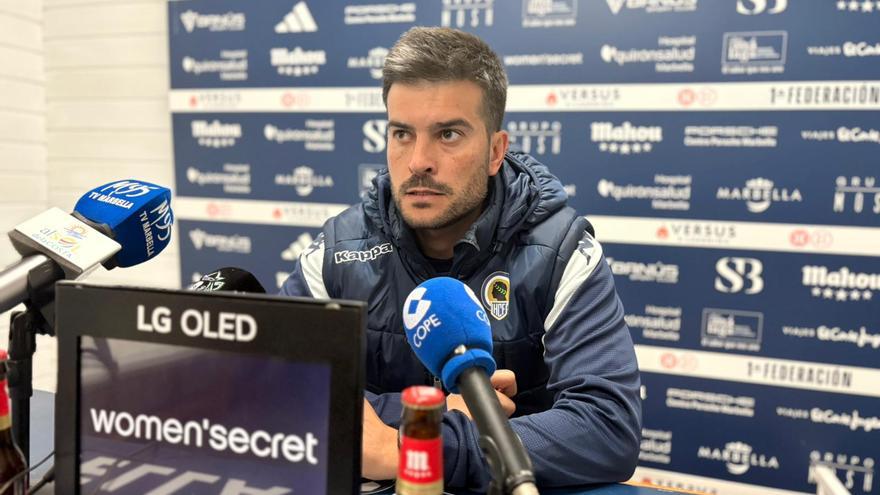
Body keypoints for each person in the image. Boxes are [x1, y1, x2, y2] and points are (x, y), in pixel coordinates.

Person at [280, 26, 641, 490]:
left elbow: (607, 427)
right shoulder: (335, 252)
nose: (418, 161)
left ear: (495, 151)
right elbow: (278, 390)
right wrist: (434, 413)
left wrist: (415, 446)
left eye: (447, 134)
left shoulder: (561, 251)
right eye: (402, 133)